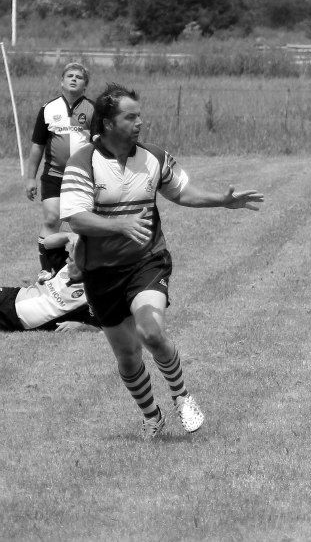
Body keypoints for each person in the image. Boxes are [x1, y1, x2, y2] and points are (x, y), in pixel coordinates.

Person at [59, 83, 265, 440]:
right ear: (107, 123)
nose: (140, 122)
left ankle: (182, 396)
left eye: (140, 115)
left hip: (147, 260)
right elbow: (76, 218)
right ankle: (152, 416)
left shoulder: (154, 156)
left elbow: (182, 191)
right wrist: (120, 225)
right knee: (127, 355)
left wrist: (221, 200)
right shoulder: (83, 162)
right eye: (130, 117)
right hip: (100, 273)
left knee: (151, 332)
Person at [23, 63, 94, 279]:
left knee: (82, 223)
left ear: (85, 85)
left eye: (79, 77)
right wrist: (30, 178)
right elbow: (37, 146)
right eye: (69, 76)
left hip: (82, 177)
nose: (74, 79)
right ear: (61, 81)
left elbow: (101, 145)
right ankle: (48, 269)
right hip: (53, 176)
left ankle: (80, 268)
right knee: (52, 219)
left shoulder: (94, 109)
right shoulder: (48, 108)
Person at [0, 233, 99, 333]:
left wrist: (82, 327)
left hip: (13, 319)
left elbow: (104, 327)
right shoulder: (64, 266)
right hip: (11, 297)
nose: (67, 261)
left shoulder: (93, 294)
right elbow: (46, 243)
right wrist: (69, 235)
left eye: (71, 260)